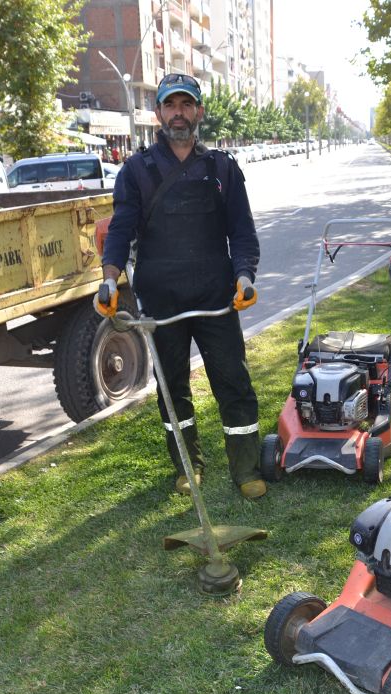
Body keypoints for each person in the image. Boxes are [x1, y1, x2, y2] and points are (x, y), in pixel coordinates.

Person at [96, 73, 266, 499]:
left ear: (199, 113)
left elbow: (242, 232)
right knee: (173, 390)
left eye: (186, 105)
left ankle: (245, 469)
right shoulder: (137, 171)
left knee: (233, 383)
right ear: (158, 114)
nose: (178, 113)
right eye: (170, 105)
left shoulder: (222, 168)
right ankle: (188, 467)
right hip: (162, 302)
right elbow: (121, 229)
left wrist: (244, 275)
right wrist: (109, 278)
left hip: (216, 299)